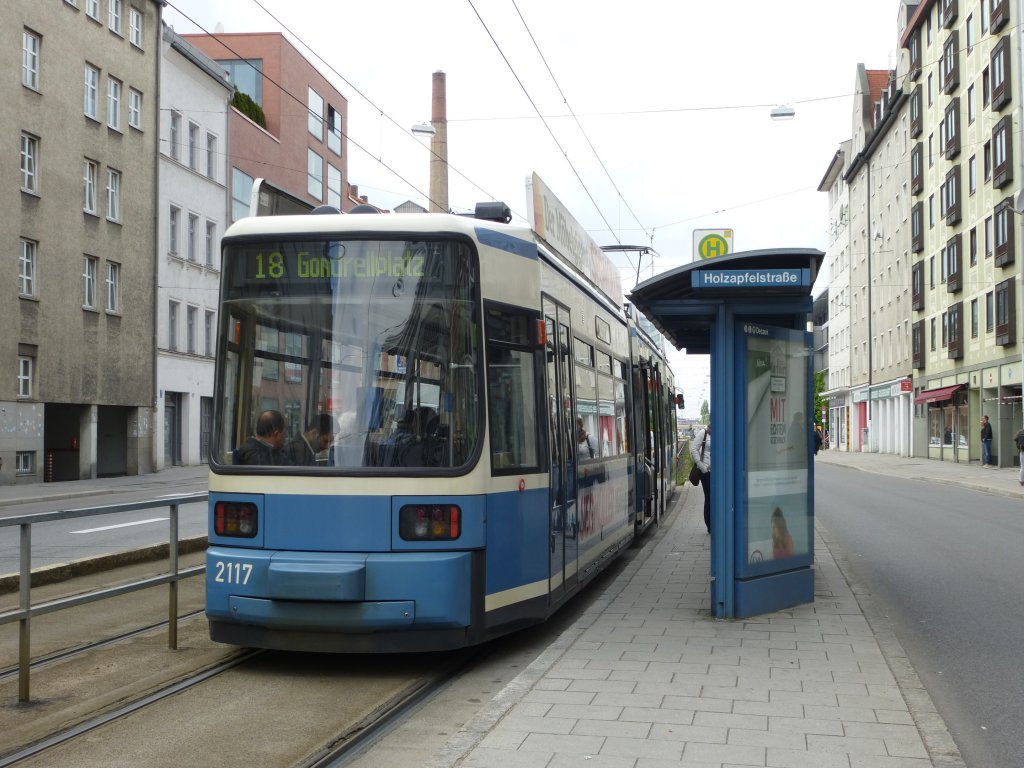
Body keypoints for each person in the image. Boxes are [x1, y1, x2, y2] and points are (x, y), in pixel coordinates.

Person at [689, 422, 711, 534]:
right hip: (706, 473)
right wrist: (702, 467)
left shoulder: (721, 433)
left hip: (720, 472)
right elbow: (694, 449)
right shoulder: (703, 433)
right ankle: (710, 525)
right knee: (709, 498)